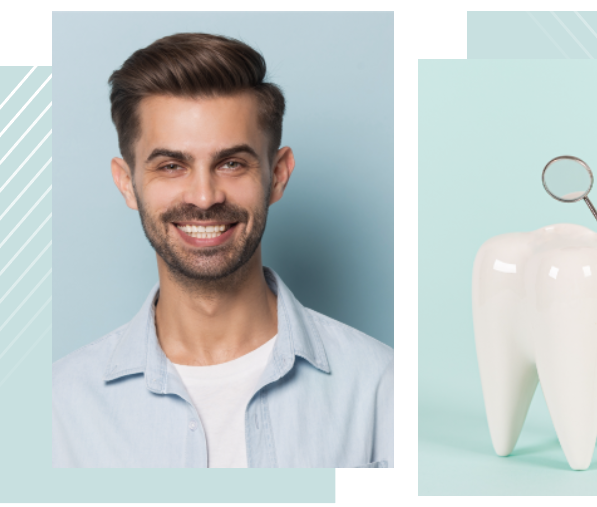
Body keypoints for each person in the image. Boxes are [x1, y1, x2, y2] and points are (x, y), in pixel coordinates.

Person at [52, 33, 393, 468]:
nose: (203, 196)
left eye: (231, 163)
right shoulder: (56, 410)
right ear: (127, 183)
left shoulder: (381, 388)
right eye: (171, 166)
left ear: (278, 174)